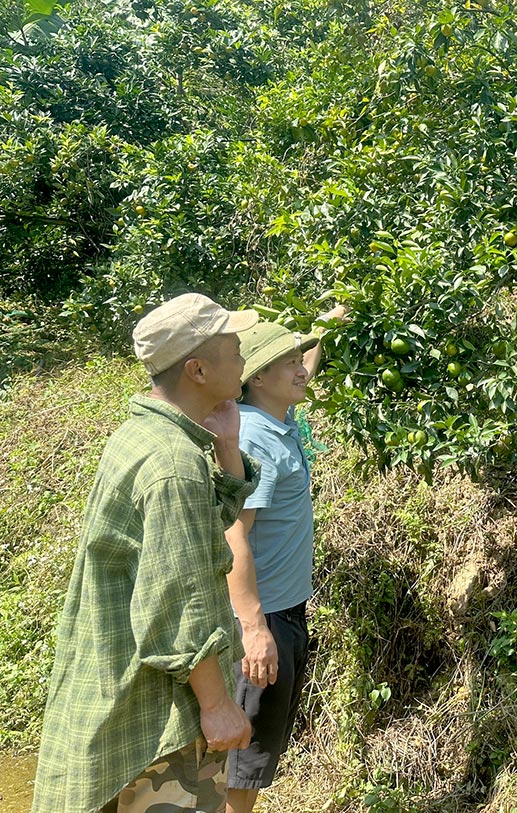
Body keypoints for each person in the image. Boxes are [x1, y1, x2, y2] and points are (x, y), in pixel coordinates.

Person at [33, 293, 261, 813]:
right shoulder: (173, 464)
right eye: (233, 345)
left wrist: (227, 447)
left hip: (119, 692)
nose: (244, 353)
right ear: (199, 369)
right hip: (157, 716)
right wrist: (218, 704)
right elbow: (175, 597)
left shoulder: (145, 438)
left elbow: (197, 534)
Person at [223, 305, 346, 813]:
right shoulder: (254, 438)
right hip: (264, 616)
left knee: (253, 757)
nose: (302, 369)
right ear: (257, 377)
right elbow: (235, 537)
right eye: (287, 362)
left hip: (284, 611)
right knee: (242, 763)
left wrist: (325, 327)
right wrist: (254, 629)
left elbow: (304, 370)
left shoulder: (276, 416)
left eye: (300, 358)